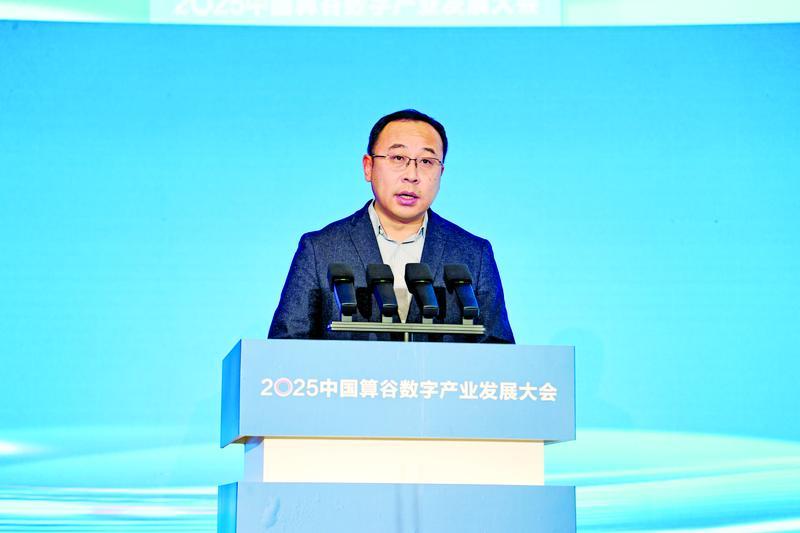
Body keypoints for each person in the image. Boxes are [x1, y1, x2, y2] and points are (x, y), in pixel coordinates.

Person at [268, 109, 514, 343]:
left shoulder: (473, 254)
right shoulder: (320, 249)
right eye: (398, 158)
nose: (412, 175)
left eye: (426, 161)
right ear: (368, 167)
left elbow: (497, 353)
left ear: (441, 172)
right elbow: (286, 347)